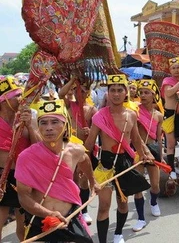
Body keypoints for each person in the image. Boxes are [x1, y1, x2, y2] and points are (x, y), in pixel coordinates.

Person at [15, 99, 98, 242]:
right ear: (38, 126)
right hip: (41, 220)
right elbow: (23, 197)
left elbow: (85, 160)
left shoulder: (75, 150)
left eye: (54, 122)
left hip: (71, 217)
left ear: (65, 125)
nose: (49, 128)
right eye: (43, 122)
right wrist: (49, 213)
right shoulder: (26, 157)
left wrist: (93, 181)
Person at [85, 74, 153, 243]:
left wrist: (144, 154)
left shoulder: (131, 115)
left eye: (119, 90)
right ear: (107, 93)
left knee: (123, 204)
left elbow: (136, 139)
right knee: (104, 206)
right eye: (112, 90)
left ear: (125, 93)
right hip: (106, 165)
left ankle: (118, 234)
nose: (116, 94)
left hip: (125, 162)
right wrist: (82, 163)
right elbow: (90, 144)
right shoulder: (99, 116)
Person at [0, 78, 39, 241]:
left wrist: (30, 125)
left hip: (24, 177)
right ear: (4, 100)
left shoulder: (27, 117)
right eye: (15, 95)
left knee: (23, 225)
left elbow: (38, 147)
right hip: (2, 177)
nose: (20, 99)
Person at [58, 77, 98, 225]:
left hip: (84, 149)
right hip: (68, 148)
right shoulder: (69, 105)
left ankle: (84, 211)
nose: (79, 93)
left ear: (88, 92)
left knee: (83, 180)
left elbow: (98, 130)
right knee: (71, 180)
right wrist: (74, 79)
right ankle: (73, 210)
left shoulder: (92, 110)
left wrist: (90, 130)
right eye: (76, 90)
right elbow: (61, 94)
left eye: (82, 90)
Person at [132, 79, 164, 232]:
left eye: (147, 92)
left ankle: (153, 202)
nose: (143, 95)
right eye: (141, 92)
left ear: (154, 94)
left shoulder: (158, 115)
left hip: (153, 150)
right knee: (138, 186)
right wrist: (142, 150)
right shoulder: (134, 111)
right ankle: (140, 218)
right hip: (138, 150)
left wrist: (161, 156)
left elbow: (159, 138)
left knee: (155, 185)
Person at [161, 57, 179, 179]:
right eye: (174, 68)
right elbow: (168, 93)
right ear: (170, 70)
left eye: (178, 67)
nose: (176, 70)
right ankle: (171, 169)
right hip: (170, 113)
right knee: (171, 144)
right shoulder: (167, 80)